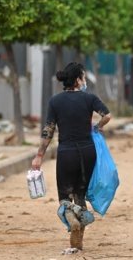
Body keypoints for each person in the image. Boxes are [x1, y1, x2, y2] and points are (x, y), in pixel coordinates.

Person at [31, 62, 111, 250]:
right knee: (80, 195)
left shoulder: (55, 101)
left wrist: (39, 156)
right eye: (83, 77)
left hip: (66, 152)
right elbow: (107, 115)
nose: (84, 81)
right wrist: (97, 127)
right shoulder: (89, 98)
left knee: (65, 197)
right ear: (77, 80)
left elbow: (48, 130)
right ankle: (79, 238)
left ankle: (70, 219)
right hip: (87, 151)